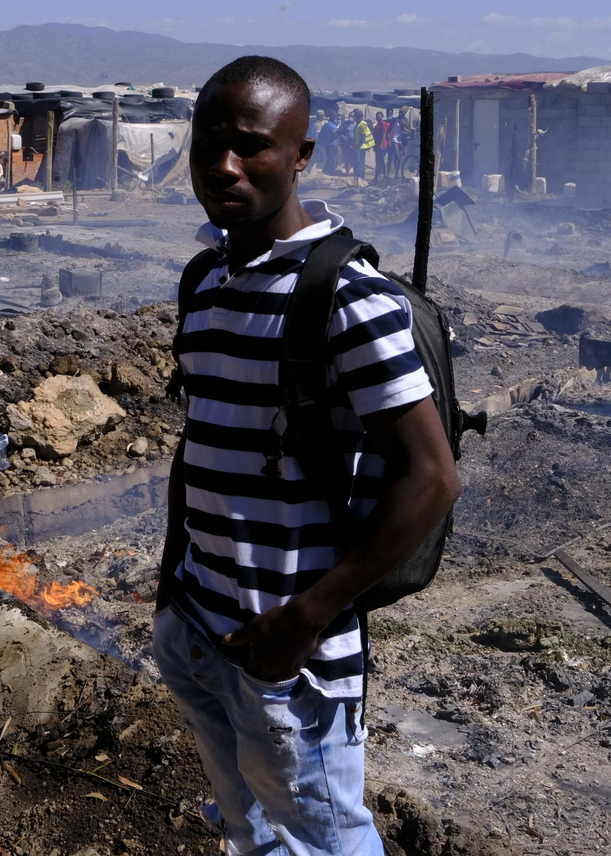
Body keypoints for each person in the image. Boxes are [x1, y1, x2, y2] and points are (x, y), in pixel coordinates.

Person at [157, 55, 460, 856]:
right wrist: (169, 590)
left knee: (324, 844)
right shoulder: (208, 280)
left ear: (301, 157)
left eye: (252, 146)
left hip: (293, 659)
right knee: (249, 834)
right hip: (199, 624)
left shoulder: (350, 301)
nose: (224, 166)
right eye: (208, 143)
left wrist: (308, 618)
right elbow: (202, 448)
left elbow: (432, 479)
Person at [352, 111, 376, 180]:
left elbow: (363, 137)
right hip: (360, 145)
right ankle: (359, 177)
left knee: (360, 162)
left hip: (362, 145)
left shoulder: (362, 124)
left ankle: (361, 177)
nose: (355, 119)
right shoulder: (358, 123)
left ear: (360, 117)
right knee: (359, 162)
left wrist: (358, 147)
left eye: (356, 117)